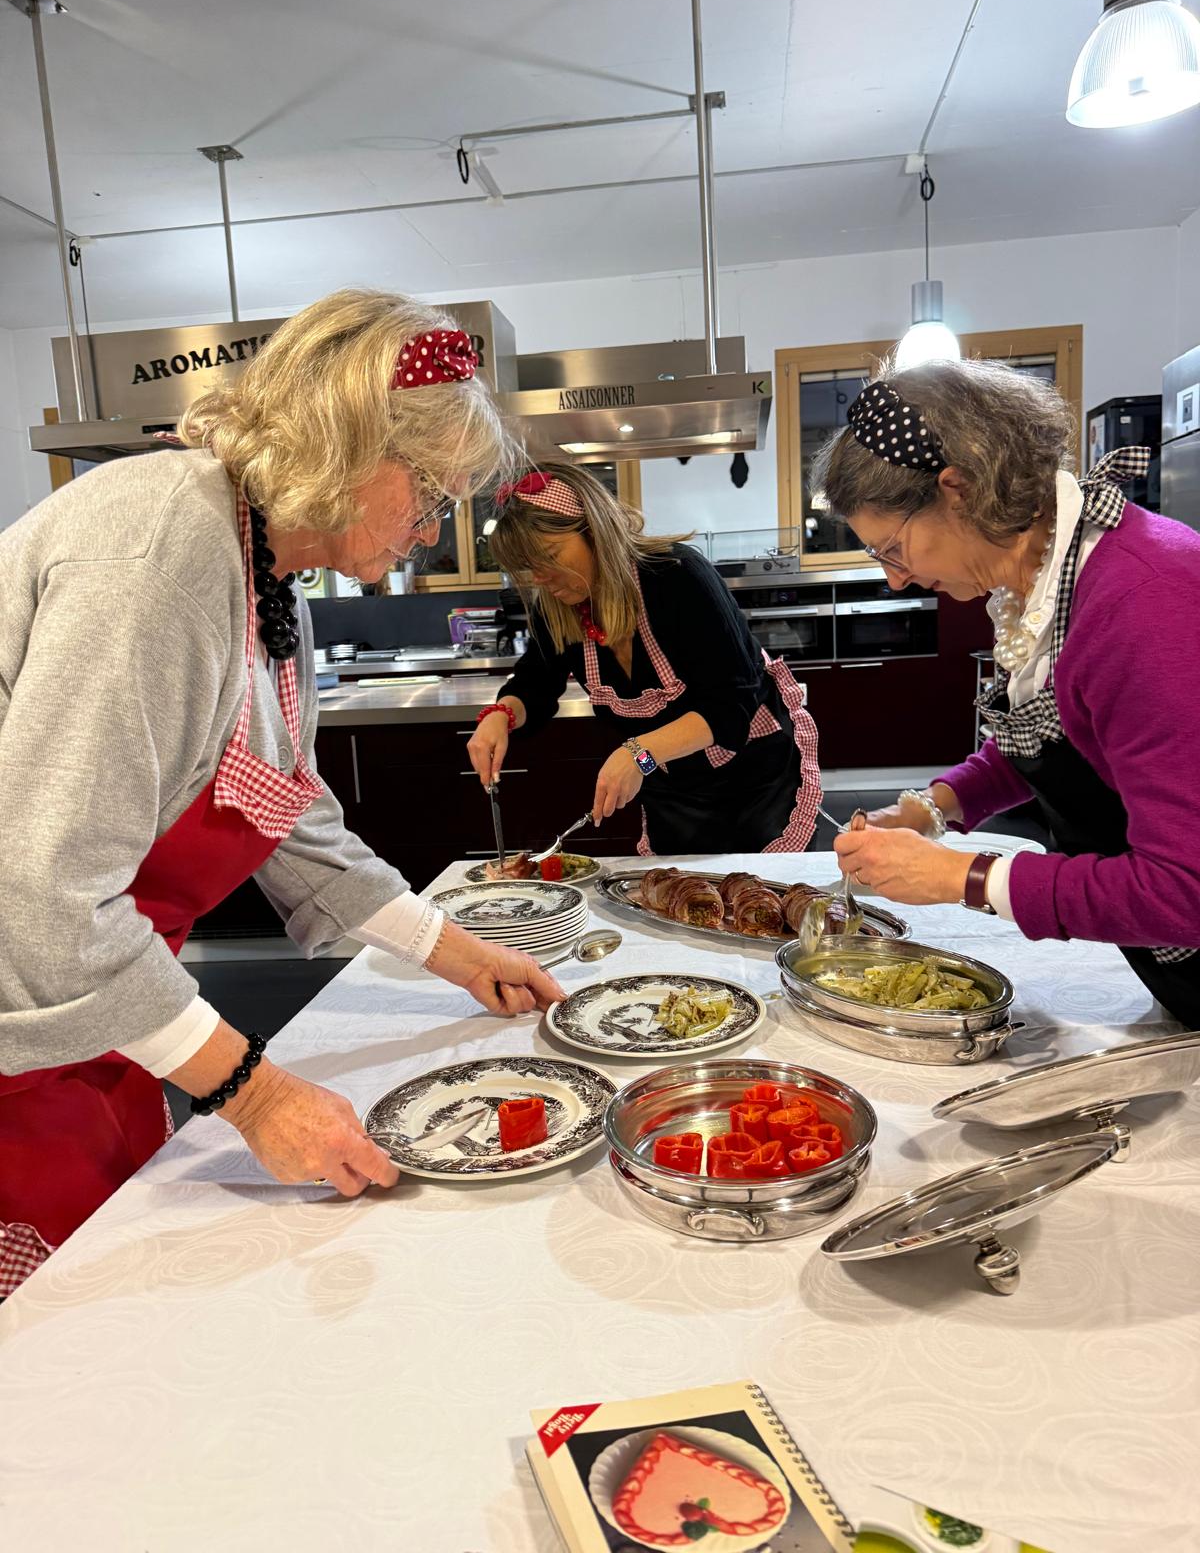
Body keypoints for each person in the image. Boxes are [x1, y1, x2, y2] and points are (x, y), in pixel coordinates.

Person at [0, 287, 564, 1296]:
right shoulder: (160, 552)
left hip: (99, 1012)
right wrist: (256, 1097)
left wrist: (458, 950)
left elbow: (289, 816)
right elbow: (41, 899)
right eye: (427, 489)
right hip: (30, 1010)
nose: (432, 529)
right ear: (346, 443)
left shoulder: (267, 583)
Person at [815, 358, 1200, 1028]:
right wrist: (933, 808)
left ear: (957, 491)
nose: (896, 580)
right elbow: (1055, 736)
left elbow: (1184, 891)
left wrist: (961, 877)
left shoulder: (1144, 605)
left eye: (893, 549)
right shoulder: (1051, 575)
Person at [467, 464, 821, 853]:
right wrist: (501, 715)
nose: (540, 578)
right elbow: (535, 682)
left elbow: (728, 707)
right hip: (670, 786)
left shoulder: (676, 576)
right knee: (676, 889)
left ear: (594, 530)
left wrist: (636, 753)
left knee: (763, 890)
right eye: (528, 567)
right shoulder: (557, 608)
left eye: (549, 556)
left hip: (756, 781)